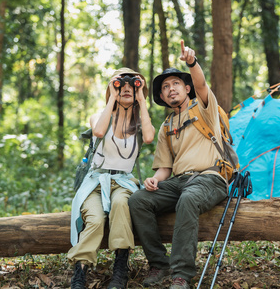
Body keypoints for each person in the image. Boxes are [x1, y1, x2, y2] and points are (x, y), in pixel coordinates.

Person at [128, 41, 229, 289]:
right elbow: (165, 167)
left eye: (175, 84)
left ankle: (181, 274)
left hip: (210, 178)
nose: (171, 89)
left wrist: (192, 62)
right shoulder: (166, 126)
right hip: (178, 182)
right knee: (138, 200)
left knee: (188, 199)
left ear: (186, 88)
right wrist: (156, 181)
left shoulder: (205, 108)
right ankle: (159, 264)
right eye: (165, 87)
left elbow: (202, 84)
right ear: (162, 97)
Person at [68, 67, 155, 289]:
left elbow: (149, 136)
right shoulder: (100, 115)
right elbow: (98, 131)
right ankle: (80, 271)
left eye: (132, 86)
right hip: (96, 181)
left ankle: (120, 267)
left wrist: (141, 98)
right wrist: (112, 96)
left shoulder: (139, 120)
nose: (127, 89)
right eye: (121, 85)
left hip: (124, 182)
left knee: (120, 205)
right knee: (95, 220)